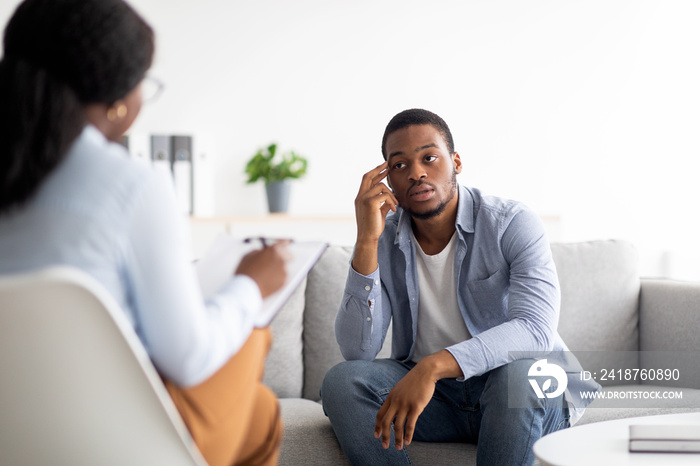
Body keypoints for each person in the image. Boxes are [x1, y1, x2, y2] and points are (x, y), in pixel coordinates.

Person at [0, 1, 287, 465]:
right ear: (117, 99)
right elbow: (187, 358)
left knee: (259, 415)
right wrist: (253, 284)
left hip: (14, 439)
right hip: (118, 444)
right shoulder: (130, 184)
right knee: (253, 332)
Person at [320, 108, 599, 465]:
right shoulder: (384, 238)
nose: (417, 172)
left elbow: (535, 330)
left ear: (456, 162)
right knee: (343, 382)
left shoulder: (511, 223)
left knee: (521, 375)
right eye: (400, 165)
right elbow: (357, 351)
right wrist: (365, 241)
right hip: (435, 403)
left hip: (513, 393)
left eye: (429, 158)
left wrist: (434, 365)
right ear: (387, 178)